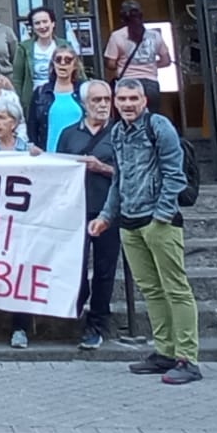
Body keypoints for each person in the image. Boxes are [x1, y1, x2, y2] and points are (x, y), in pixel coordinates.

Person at [90, 79, 201, 384]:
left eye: (132, 98)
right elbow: (119, 180)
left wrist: (161, 215)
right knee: (151, 290)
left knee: (175, 288)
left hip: (159, 221)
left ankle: (187, 358)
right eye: (121, 98)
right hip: (129, 221)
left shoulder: (159, 126)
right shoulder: (117, 132)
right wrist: (106, 216)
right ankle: (164, 351)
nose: (126, 104)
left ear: (144, 100)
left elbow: (173, 173)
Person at [57, 80, 120, 350]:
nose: (103, 105)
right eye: (97, 100)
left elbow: (130, 173)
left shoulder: (120, 133)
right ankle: (74, 310)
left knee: (105, 270)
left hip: (108, 209)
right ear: (84, 104)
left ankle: (97, 324)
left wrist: (102, 168)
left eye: (107, 99)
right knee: (76, 268)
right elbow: (56, 171)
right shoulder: (69, 134)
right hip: (76, 210)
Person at [0, 102, 40, 348]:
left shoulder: (29, 152)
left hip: (20, 223)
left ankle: (20, 328)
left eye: (3, 117)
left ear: (14, 124)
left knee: (21, 272)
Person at [104, 0, 173, 112]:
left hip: (127, 85)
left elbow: (110, 64)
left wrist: (123, 64)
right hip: (151, 84)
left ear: (122, 17)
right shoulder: (154, 36)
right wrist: (150, 65)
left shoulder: (117, 36)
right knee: (150, 119)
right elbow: (166, 61)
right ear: (141, 15)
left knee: (128, 119)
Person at [29, 41, 86, 152]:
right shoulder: (41, 92)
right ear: (53, 64)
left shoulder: (84, 90)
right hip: (49, 155)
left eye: (68, 60)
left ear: (74, 65)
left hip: (79, 154)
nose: (62, 63)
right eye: (58, 60)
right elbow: (32, 126)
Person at [12, 6, 61, 112]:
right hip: (33, 101)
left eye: (45, 21)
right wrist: (19, 102)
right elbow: (17, 79)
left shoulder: (64, 46)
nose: (42, 26)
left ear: (53, 23)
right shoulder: (23, 48)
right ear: (33, 27)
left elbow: (78, 73)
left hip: (59, 97)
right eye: (37, 23)